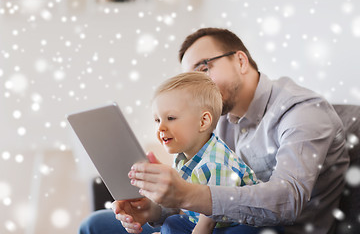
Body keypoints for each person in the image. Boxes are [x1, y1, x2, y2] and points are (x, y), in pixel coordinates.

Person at [79, 27, 350, 234]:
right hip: (221, 222)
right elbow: (203, 184)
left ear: (241, 61)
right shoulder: (214, 117)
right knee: (95, 225)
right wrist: (155, 209)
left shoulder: (302, 111)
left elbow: (287, 200)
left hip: (273, 229)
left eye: (204, 68)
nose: (198, 84)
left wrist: (186, 194)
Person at [151, 72, 261, 233]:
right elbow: (186, 207)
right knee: (171, 223)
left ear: (203, 122)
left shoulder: (215, 162)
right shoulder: (182, 157)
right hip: (212, 221)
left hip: (241, 222)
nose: (160, 127)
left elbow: (210, 217)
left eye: (171, 117)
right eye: (157, 120)